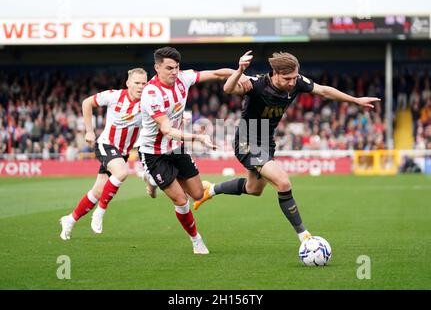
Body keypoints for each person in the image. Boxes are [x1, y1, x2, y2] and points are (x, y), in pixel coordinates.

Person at [194, 50, 380, 243]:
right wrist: (240, 70)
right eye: (287, 78)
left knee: (253, 188)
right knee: (283, 182)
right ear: (275, 73)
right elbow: (228, 88)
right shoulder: (256, 84)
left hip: (267, 140)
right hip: (247, 140)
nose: (292, 82)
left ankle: (211, 190)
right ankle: (305, 237)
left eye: (294, 77)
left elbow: (324, 90)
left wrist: (356, 100)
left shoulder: (297, 82)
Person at [138, 46, 250, 254]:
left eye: (176, 67)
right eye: (169, 68)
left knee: (198, 194)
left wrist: (241, 72)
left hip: (177, 148)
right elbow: (167, 130)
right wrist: (198, 137)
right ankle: (196, 240)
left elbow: (217, 73)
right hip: (154, 153)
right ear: (157, 68)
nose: (174, 72)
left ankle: (152, 180)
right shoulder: (151, 94)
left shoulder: (183, 78)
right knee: (181, 200)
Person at [59, 68, 148, 240]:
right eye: (137, 83)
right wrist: (89, 131)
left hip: (121, 153)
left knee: (98, 191)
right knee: (122, 173)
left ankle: (70, 219)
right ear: (128, 83)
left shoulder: (147, 102)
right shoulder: (114, 96)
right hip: (106, 145)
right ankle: (100, 212)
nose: (140, 87)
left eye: (144, 83)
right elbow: (86, 103)